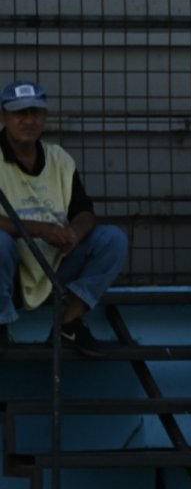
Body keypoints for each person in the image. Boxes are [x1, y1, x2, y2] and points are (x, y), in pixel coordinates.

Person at [0, 80, 128, 354]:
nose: (28, 121)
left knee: (112, 239)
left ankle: (68, 325)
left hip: (55, 264)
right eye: (19, 113)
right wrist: (38, 229)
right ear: (4, 118)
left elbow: (84, 211)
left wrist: (75, 233)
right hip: (9, 273)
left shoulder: (59, 159)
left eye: (35, 113)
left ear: (45, 116)